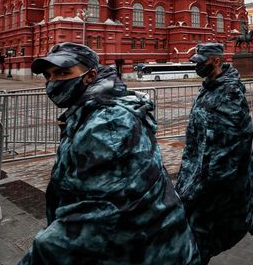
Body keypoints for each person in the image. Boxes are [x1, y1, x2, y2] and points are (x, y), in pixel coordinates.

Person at [20, 42, 200, 264]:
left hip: (148, 252)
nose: (53, 81)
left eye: (63, 72)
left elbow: (93, 221)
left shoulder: (107, 124)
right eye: (48, 75)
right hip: (149, 244)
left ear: (90, 75)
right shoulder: (91, 111)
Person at [175, 43, 253, 264]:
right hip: (198, 172)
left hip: (220, 179)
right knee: (238, 219)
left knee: (235, 220)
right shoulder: (208, 86)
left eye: (201, 61)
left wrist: (205, 182)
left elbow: (234, 143)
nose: (197, 65)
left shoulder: (229, 93)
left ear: (216, 61)